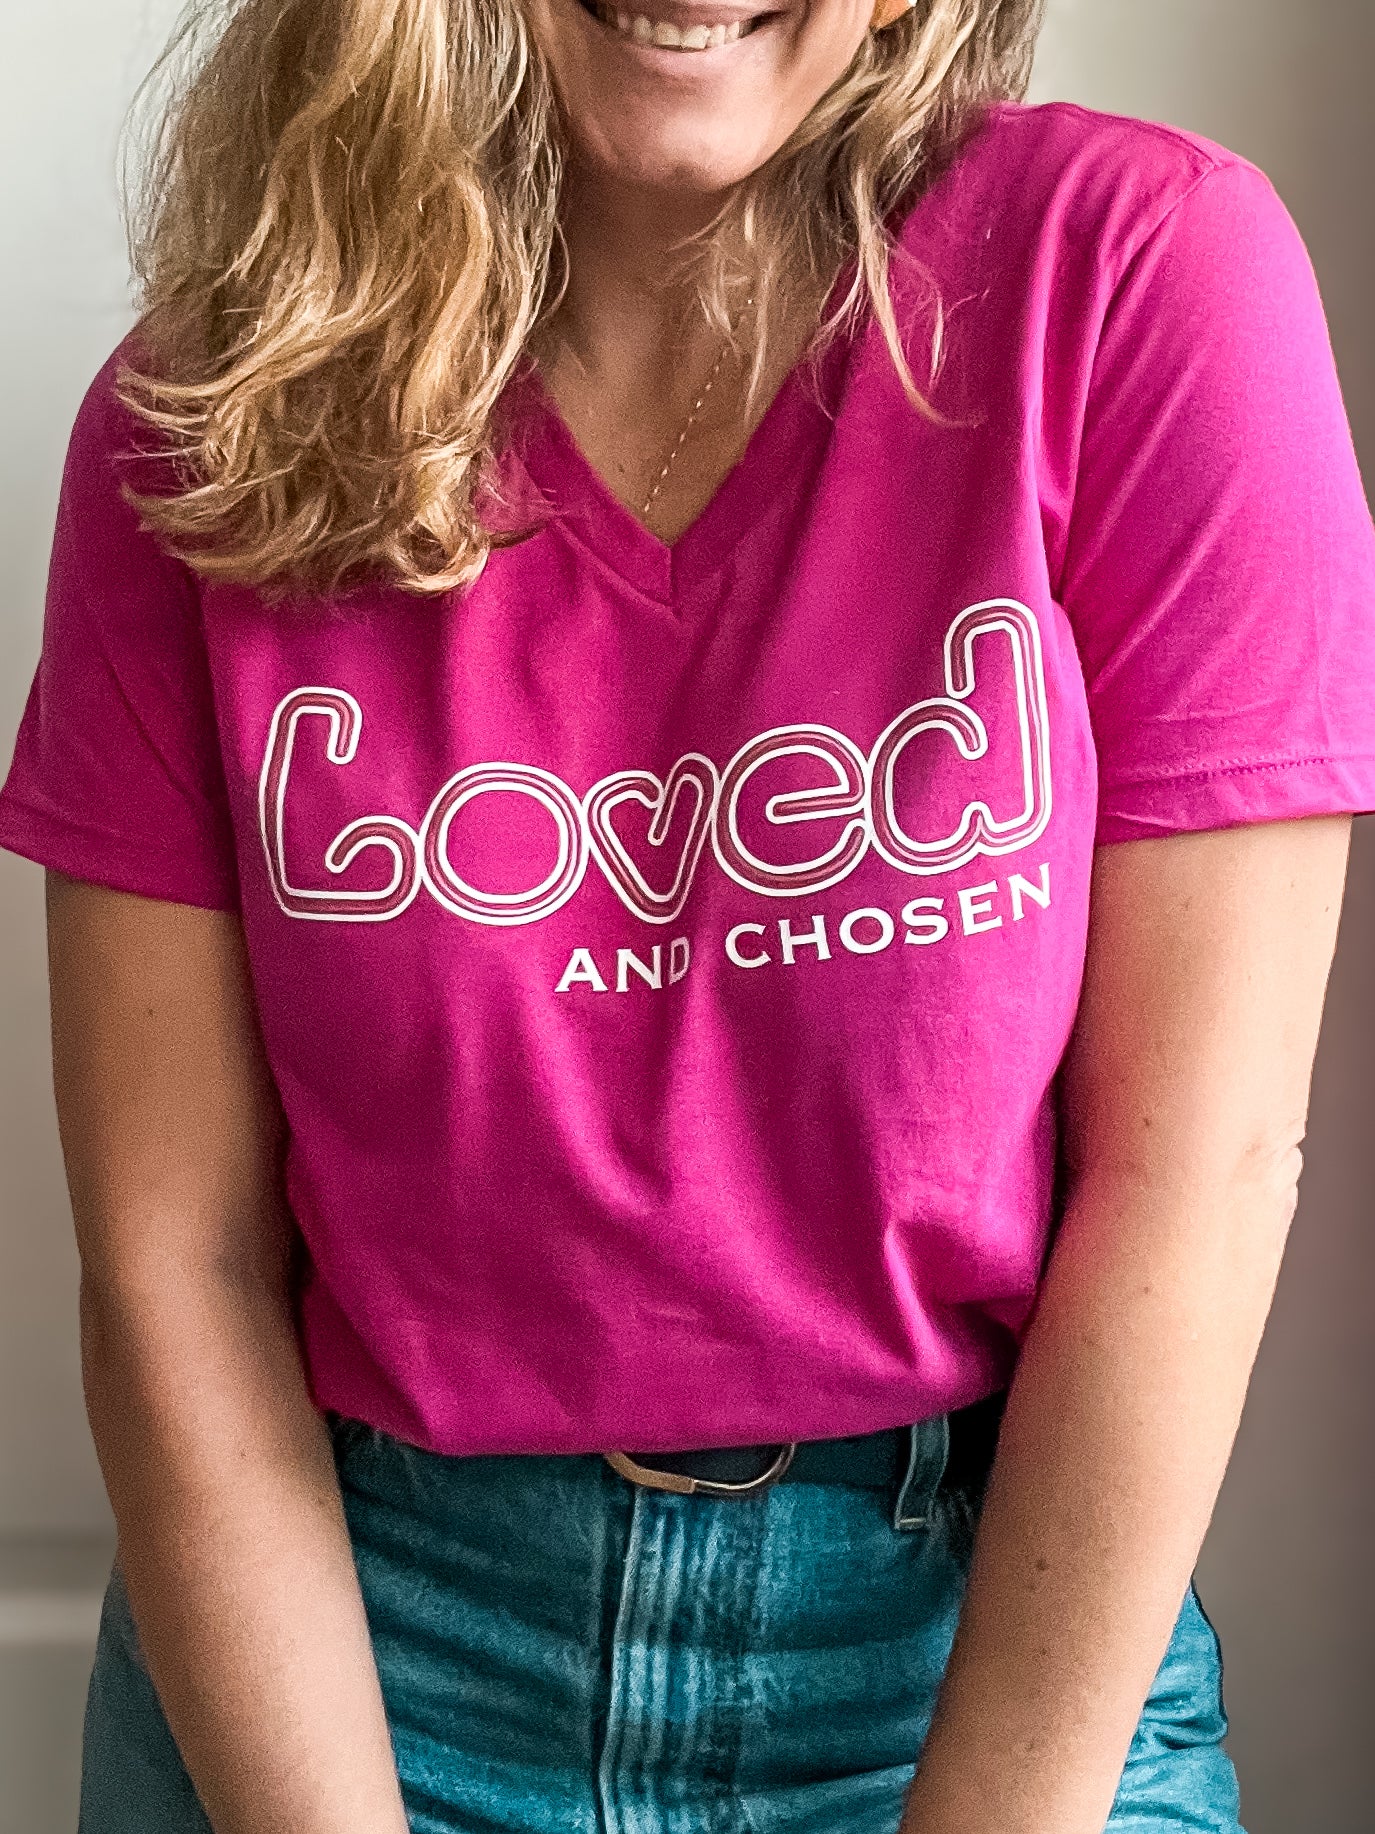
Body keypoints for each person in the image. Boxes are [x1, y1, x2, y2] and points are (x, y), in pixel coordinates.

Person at [3, 0, 1374, 1828]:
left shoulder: (1134, 278)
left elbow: (1200, 1167)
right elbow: (176, 1266)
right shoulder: (204, 426)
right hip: (344, 1651)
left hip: (978, 1649)